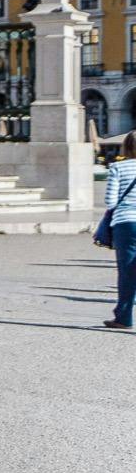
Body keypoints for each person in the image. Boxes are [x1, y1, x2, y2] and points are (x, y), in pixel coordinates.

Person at [100, 134, 136, 330]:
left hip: (126, 223)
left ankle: (123, 318)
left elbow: (111, 202)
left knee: (127, 271)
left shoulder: (118, 167)